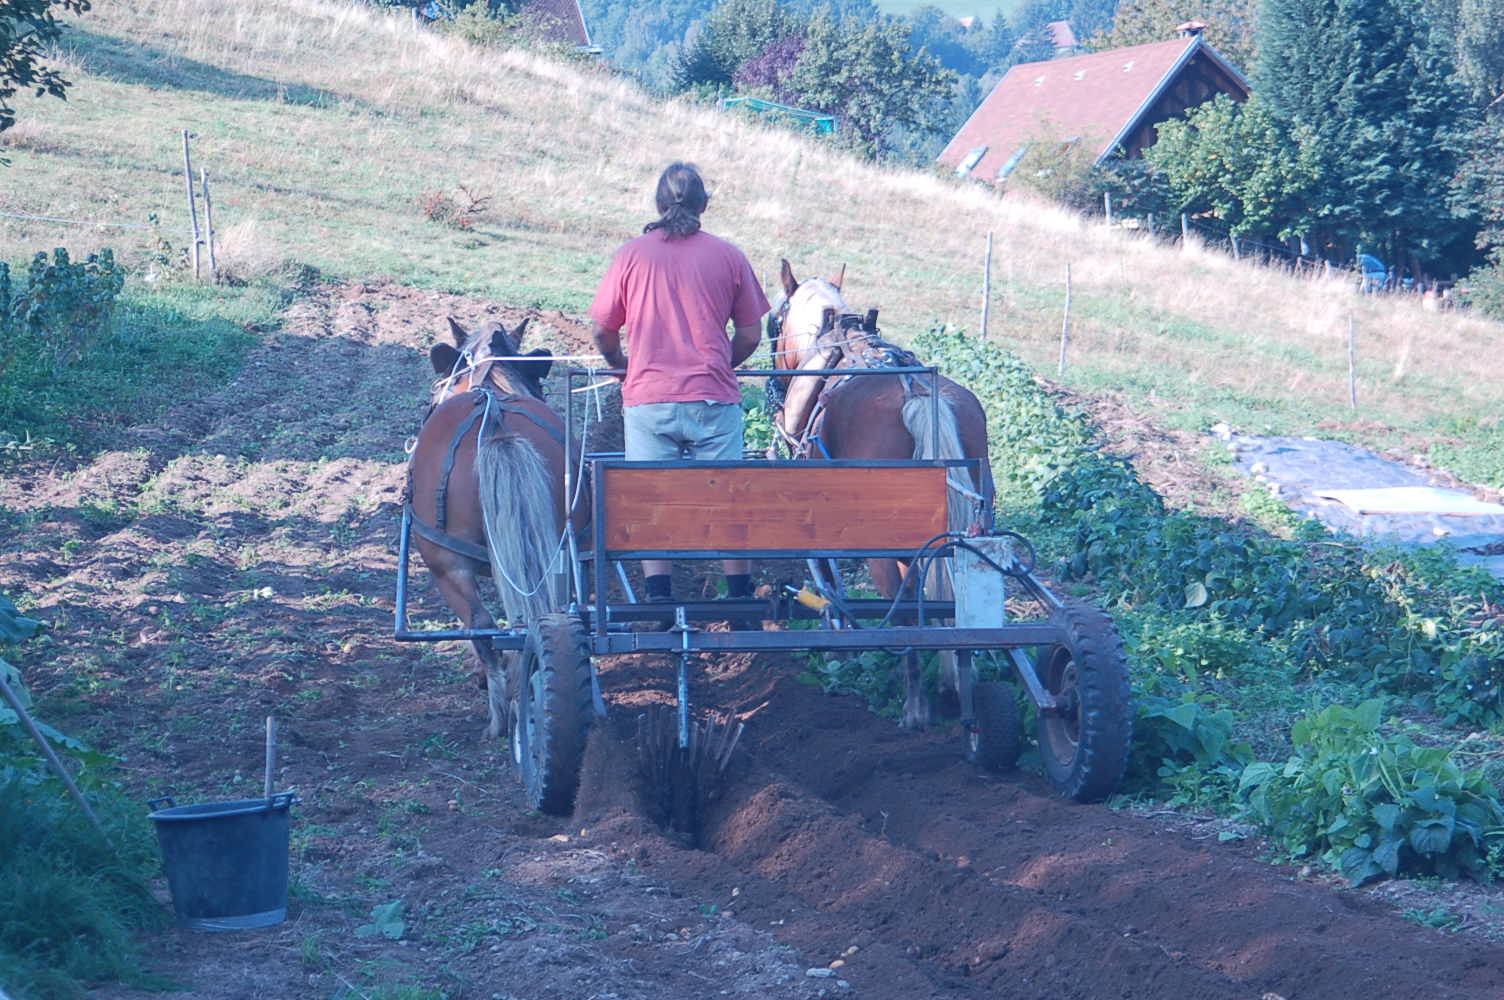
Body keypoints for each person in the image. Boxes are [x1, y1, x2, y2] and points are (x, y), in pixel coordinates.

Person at [590, 162, 770, 616]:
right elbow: (751, 335)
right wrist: (715, 368)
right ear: (704, 205)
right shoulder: (729, 256)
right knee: (727, 498)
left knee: (652, 499)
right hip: (713, 399)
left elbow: (601, 331)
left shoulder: (632, 255)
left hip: (649, 400)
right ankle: (741, 597)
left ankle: (660, 598)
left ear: (657, 203)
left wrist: (621, 366)